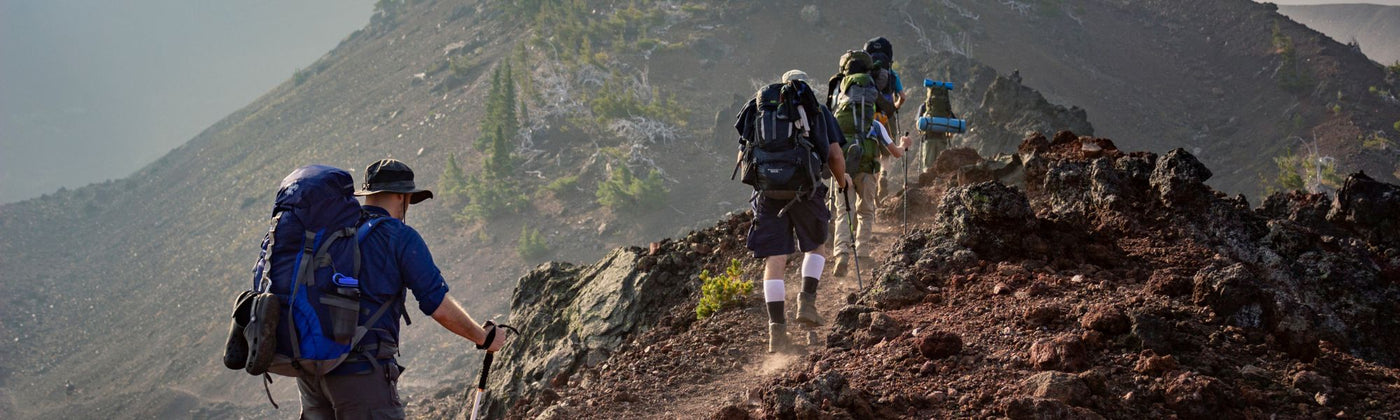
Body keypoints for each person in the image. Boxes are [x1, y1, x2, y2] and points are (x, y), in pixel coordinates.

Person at [296, 158, 509, 419]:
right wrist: (483, 337)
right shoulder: (398, 236)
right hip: (361, 372)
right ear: (401, 195)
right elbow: (437, 305)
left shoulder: (332, 234)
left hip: (312, 371)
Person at [737, 70, 851, 353]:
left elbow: (743, 157)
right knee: (815, 247)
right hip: (805, 191)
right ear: (805, 87)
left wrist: (765, 183)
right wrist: (841, 181)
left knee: (775, 260)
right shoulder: (817, 110)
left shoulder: (757, 110)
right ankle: (806, 304)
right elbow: (835, 156)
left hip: (767, 194)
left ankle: (777, 332)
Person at [832, 117, 911, 277]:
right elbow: (895, 153)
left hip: (843, 172)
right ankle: (862, 253)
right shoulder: (875, 125)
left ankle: (842, 254)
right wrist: (904, 145)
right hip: (867, 174)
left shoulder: (837, 120)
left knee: (843, 212)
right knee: (866, 212)